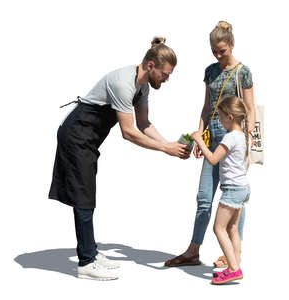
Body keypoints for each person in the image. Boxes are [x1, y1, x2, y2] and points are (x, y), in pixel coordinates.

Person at [48, 37, 190, 281]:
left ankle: (89, 250)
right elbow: (129, 132)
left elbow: (144, 124)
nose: (167, 79)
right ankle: (86, 262)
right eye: (165, 74)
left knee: (86, 192)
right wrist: (164, 149)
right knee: (83, 195)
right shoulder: (123, 83)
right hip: (76, 134)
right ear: (150, 66)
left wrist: (169, 144)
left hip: (89, 139)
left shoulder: (143, 87)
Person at [165, 21, 255, 268]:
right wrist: (201, 135)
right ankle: (193, 250)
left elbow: (250, 111)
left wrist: (250, 149)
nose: (218, 55)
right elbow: (206, 107)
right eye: (214, 50)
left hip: (234, 139)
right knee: (204, 197)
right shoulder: (210, 71)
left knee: (234, 197)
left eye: (222, 50)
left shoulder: (242, 72)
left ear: (232, 44)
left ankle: (232, 255)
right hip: (213, 137)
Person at [191, 95, 251, 284]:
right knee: (232, 228)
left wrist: (199, 140)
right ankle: (236, 263)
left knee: (219, 228)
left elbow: (213, 159)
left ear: (230, 117)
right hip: (242, 188)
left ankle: (233, 269)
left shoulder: (230, 137)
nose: (219, 120)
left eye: (221, 117)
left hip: (232, 190)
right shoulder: (242, 136)